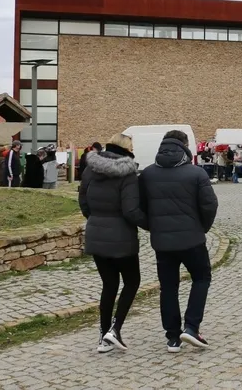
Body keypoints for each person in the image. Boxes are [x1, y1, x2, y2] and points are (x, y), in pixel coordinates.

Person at [139, 130, 218, 353]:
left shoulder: (148, 174)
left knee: (168, 287)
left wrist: (153, 226)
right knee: (201, 278)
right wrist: (201, 228)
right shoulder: (197, 173)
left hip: (163, 243)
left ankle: (173, 337)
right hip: (192, 239)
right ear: (184, 146)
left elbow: (139, 207)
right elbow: (210, 205)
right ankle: (192, 327)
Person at [79, 133, 146, 353]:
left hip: (96, 233)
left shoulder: (90, 169)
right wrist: (152, 225)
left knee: (109, 285)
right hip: (122, 237)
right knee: (132, 281)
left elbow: (83, 202)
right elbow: (131, 211)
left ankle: (103, 335)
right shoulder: (128, 174)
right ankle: (115, 329)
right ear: (128, 150)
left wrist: (96, 220)